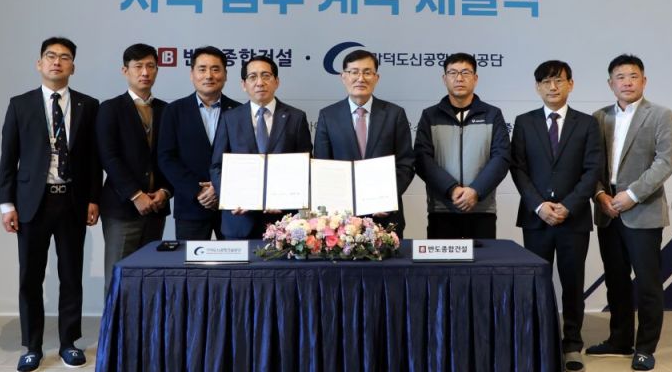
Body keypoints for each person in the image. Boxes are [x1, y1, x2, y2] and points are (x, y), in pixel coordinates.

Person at [0, 37, 100, 372]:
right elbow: (8, 158)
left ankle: (69, 342)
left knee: (71, 275)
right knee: (30, 277)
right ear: (39, 63)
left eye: (65, 57)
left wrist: (93, 198)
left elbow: (93, 158)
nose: (57, 62)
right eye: (51, 56)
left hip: (72, 200)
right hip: (32, 203)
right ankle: (33, 346)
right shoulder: (20, 105)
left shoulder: (88, 105)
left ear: (73, 66)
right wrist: (6, 204)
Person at [510, 60, 602, 372]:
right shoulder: (524, 122)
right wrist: (539, 205)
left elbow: (592, 169)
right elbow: (518, 169)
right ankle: (539, 341)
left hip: (573, 219)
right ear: (537, 87)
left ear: (570, 84)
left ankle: (572, 343)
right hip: (536, 219)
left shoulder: (587, 124)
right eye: (546, 82)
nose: (553, 87)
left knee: (572, 283)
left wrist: (570, 205)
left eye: (559, 80)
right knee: (537, 282)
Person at [588, 54, 672, 372]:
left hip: (642, 209)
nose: (627, 82)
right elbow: (591, 164)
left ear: (644, 80)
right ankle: (619, 339)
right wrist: (600, 194)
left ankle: (645, 347)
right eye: (620, 77)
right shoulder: (598, 118)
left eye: (633, 76)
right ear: (610, 83)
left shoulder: (661, 115)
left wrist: (632, 195)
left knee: (648, 284)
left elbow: (664, 163)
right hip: (607, 210)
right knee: (616, 281)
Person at [96, 43, 172, 296]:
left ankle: (147, 322)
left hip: (156, 207)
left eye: (150, 66)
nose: (145, 72)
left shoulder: (167, 110)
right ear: (125, 70)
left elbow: (170, 157)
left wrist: (165, 191)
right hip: (122, 208)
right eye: (138, 66)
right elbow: (109, 157)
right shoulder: (110, 108)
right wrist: (135, 195)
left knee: (150, 277)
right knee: (119, 277)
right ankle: (114, 324)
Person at [313, 49, 415, 234]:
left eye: (367, 72)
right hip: (341, 221)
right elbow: (322, 167)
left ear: (376, 77)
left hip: (385, 217)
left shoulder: (394, 114)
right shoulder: (328, 116)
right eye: (354, 72)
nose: (361, 78)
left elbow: (405, 164)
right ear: (343, 77)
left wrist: (387, 198)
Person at [210, 55, 312, 239]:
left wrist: (286, 198)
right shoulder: (230, 118)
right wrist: (230, 198)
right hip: (239, 219)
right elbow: (217, 166)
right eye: (252, 77)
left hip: (283, 222)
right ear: (244, 84)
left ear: (276, 81)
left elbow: (305, 166)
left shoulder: (296, 118)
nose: (259, 82)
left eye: (266, 76)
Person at [414, 52, 509, 239]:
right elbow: (422, 159)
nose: (459, 78)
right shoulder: (430, 116)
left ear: (475, 78)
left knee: (483, 259)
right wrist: (451, 189)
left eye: (465, 73)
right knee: (441, 259)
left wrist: (476, 191)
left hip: (481, 209)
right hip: (442, 209)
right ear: (444, 79)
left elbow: (501, 157)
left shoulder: (492, 115)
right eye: (453, 73)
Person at [158, 46, 241, 241]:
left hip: (231, 207)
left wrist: (219, 188)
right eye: (202, 69)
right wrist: (198, 190)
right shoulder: (174, 111)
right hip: (190, 206)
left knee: (236, 260)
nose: (209, 75)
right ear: (192, 74)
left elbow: (245, 158)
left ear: (225, 75)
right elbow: (166, 158)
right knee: (190, 261)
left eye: (215, 69)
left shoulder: (239, 111)